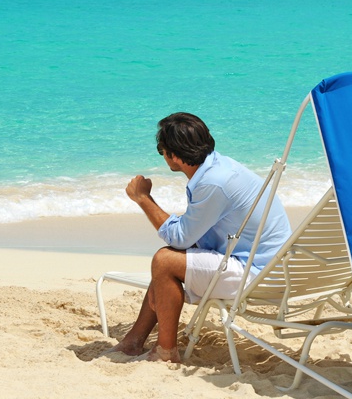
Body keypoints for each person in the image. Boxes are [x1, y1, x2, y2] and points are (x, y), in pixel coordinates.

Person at [112, 112, 292, 362]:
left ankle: (165, 351)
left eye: (161, 150)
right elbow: (191, 235)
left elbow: (180, 237)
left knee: (165, 260)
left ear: (174, 156)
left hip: (258, 274)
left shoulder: (213, 183)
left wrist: (143, 198)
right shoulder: (220, 168)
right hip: (272, 265)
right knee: (169, 261)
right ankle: (133, 341)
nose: (162, 155)